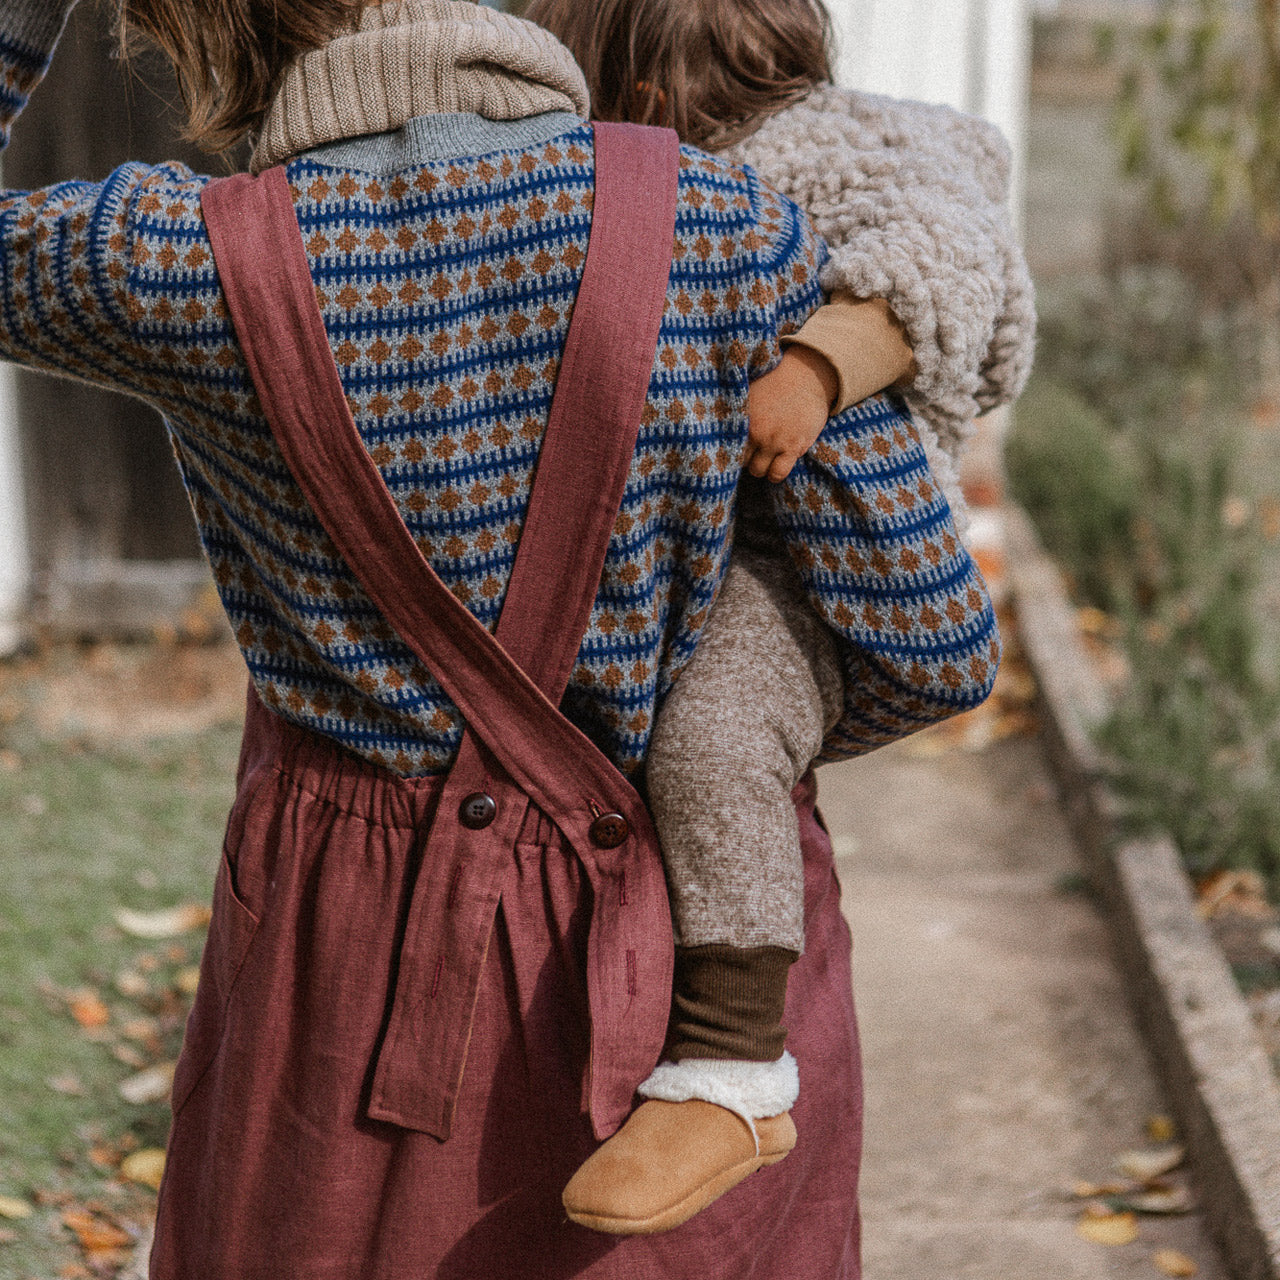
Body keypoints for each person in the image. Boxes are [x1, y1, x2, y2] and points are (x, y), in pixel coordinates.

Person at [0, 0, 1000, 1275]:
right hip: (693, 973)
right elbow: (933, 637)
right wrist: (698, 737)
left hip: (343, 959)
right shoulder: (725, 231)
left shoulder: (166, 260)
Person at [526, 0, 1034, 1237]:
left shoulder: (874, 139)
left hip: (811, 560)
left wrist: (812, 366)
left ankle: (730, 1064)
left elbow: (947, 256)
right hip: (671, 528)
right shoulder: (600, 165)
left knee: (712, 737)